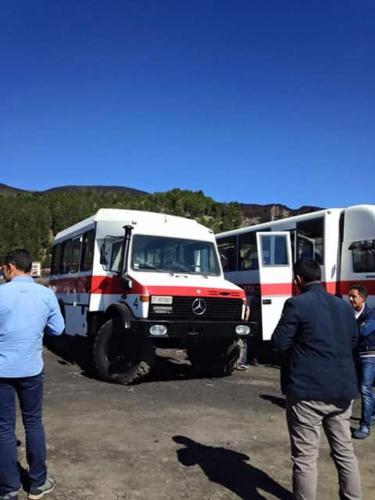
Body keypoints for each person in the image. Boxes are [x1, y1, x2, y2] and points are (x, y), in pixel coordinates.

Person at [271, 258, 361, 500]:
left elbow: (279, 342)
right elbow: (353, 342)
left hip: (307, 392)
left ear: (297, 280)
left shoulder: (296, 304)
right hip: (343, 391)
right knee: (345, 452)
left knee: (305, 458)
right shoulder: (343, 306)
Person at [0, 249, 65, 500]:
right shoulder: (46, 294)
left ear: (11, 267)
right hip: (31, 369)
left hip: (2, 371)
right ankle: (37, 483)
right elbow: (58, 329)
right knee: (33, 422)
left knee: (4, 428)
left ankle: (8, 490)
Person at [349, 284, 375, 439]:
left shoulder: (371, 314)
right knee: (362, 388)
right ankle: (371, 413)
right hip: (355, 355)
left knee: (365, 389)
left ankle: (365, 426)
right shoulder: (348, 313)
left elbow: (363, 331)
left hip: (370, 355)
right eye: (349, 296)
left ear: (363, 298)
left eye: (354, 296)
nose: (350, 299)